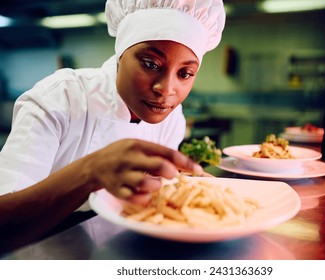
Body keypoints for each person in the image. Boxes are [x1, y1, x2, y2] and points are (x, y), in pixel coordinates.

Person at [0, 0, 226, 252]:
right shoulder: (59, 98)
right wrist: (91, 172)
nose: (166, 90)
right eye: (150, 64)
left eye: (184, 74)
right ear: (121, 55)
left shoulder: (172, 118)